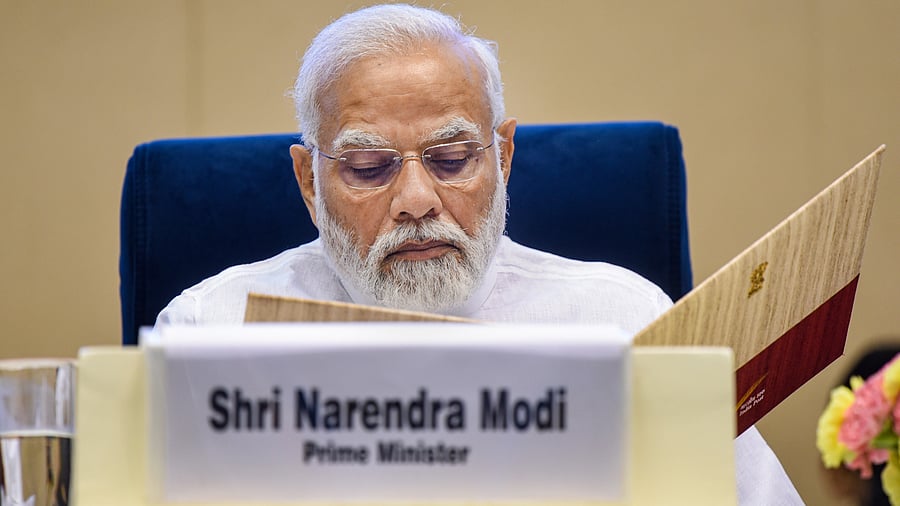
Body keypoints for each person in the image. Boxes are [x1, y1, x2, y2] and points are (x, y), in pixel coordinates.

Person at [156, 4, 803, 504]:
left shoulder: (626, 320)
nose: (415, 200)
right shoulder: (211, 330)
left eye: (451, 159)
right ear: (308, 181)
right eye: (369, 166)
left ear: (504, 157)